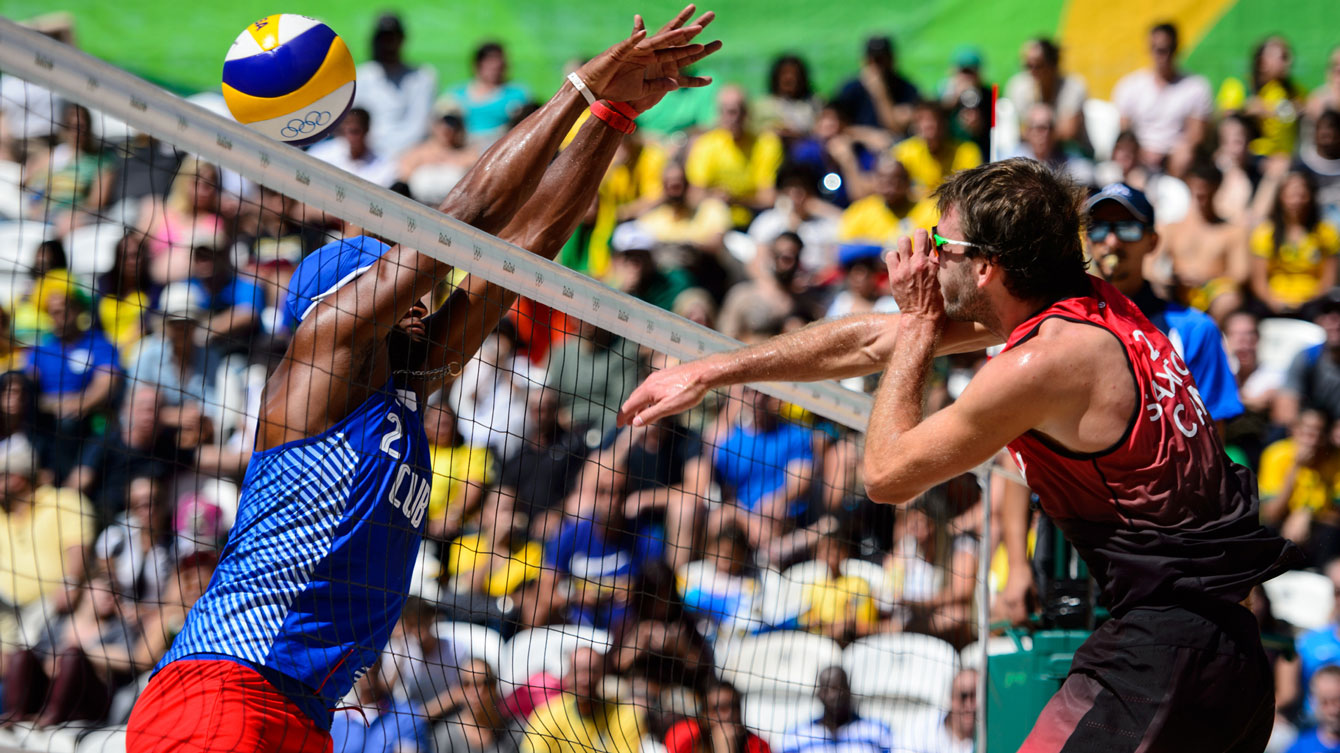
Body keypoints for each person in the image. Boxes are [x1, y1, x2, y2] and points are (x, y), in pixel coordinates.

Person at [127, 12, 720, 753]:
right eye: (388, 279)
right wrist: (580, 85)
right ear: (344, 302)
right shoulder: (319, 358)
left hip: (303, 708)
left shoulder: (407, 389)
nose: (419, 296)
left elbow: (523, 248)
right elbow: (463, 220)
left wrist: (614, 113)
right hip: (225, 685)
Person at [619, 157, 1301, 750]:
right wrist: (710, 369)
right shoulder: (1091, 306)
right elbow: (868, 342)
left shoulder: (1046, 362)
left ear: (986, 266)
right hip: (1223, 653)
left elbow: (885, 475)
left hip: (1168, 652)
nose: (924, 253)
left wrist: (918, 320)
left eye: (940, 240)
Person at [1086, 182, 1244, 424]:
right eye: (1098, 228)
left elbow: (1212, 435)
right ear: (1087, 240)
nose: (1112, 241)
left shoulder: (1195, 330)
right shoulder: (1067, 321)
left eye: (1127, 228)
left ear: (1152, 242)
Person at [1112, 22, 1212, 176]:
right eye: (1158, 49)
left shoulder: (1195, 87)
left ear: (1176, 49)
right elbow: (1125, 130)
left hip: (1175, 159)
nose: (1163, 56)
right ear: (1149, 49)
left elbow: (1196, 135)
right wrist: (1141, 153)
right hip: (1138, 157)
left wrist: (1175, 154)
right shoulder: (1130, 86)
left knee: (1186, 155)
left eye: (1167, 49)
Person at [1157, 160, 1250, 321]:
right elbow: (1151, 267)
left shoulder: (1232, 231)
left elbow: (1240, 273)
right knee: (1156, 289)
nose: (1201, 193)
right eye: (1196, 188)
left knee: (1228, 298)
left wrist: (1207, 279)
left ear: (1217, 188)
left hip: (1214, 293)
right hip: (1177, 290)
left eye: (1206, 188)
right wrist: (1172, 278)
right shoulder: (1170, 229)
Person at [685, 86, 784, 223]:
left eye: (739, 111)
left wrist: (735, 199)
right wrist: (715, 197)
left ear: (747, 113)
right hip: (715, 222)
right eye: (729, 112)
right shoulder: (705, 144)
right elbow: (694, 197)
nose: (734, 118)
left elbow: (768, 198)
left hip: (754, 219)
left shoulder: (766, 143)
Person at [1249, 170, 1340, 317]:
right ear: (1280, 197)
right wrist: (1273, 301)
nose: (1296, 201)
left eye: (1302, 195)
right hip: (1274, 301)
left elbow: (1328, 279)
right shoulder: (1265, 232)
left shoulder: (1326, 232)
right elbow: (1259, 281)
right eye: (1291, 195)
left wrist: (1308, 301)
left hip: (1312, 302)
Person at [520, 646, 644, 753]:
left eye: (592, 671)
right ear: (567, 675)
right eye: (578, 671)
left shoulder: (624, 715)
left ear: (603, 674)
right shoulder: (547, 715)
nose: (585, 679)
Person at [353, 13, 438, 163]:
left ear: (402, 40)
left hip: (408, 155)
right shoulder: (362, 75)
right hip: (365, 153)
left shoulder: (423, 76)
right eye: (384, 38)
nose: (388, 44)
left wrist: (392, 155)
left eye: (392, 38)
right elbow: (356, 121)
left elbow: (419, 125)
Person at [777, 666, 895, 753]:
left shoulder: (877, 731)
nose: (835, 695)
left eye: (840, 688)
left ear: (849, 691)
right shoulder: (797, 734)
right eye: (828, 689)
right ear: (819, 694)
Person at [1004, 38, 1089, 152]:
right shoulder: (1018, 87)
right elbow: (1020, 129)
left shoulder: (1073, 87)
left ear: (1053, 65)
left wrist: (1036, 133)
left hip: (1068, 152)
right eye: (1028, 65)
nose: (1032, 71)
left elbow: (1068, 132)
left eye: (1037, 65)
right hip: (1033, 151)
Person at [837, 157, 936, 247]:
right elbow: (845, 248)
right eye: (883, 182)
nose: (889, 189)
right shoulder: (860, 211)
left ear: (907, 182)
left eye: (895, 183)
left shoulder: (929, 211)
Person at [444, 42, 532, 142]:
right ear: (477, 65)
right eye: (489, 64)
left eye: (498, 65)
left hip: (501, 147)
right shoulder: (456, 94)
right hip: (464, 149)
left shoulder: (517, 94)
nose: (494, 68)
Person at [833, 35, 920, 136]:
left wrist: (880, 94)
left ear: (891, 59)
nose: (876, 66)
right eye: (872, 60)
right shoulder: (851, 88)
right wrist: (869, 136)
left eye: (881, 60)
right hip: (858, 144)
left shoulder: (906, 89)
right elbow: (835, 126)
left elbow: (896, 127)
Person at [892, 102, 982, 197]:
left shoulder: (967, 151)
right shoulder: (901, 153)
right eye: (921, 120)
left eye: (934, 119)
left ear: (945, 123)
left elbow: (971, 191)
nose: (928, 125)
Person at [1277, 296, 1340, 426]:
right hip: (1314, 432)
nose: (1336, 322)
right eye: (1329, 315)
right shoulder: (1307, 357)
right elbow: (1285, 412)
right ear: (1319, 321)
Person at [664, 681, 771, 753]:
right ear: (705, 713)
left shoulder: (757, 744)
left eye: (734, 706)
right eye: (721, 708)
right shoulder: (687, 737)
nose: (730, 714)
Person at [307, 107, 398, 188]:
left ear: (366, 130)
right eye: (346, 131)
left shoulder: (383, 165)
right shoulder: (321, 153)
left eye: (355, 132)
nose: (351, 138)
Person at [1009, 103, 1095, 188]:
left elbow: (1086, 172)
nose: (1045, 134)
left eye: (1049, 128)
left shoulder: (1066, 160)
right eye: (1039, 128)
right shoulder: (1015, 163)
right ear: (1027, 131)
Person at [898, 668, 975, 753]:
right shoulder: (921, 727)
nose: (970, 705)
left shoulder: (987, 736)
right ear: (951, 699)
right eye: (963, 696)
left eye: (976, 696)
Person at [1289, 665, 1340, 753]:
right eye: (1324, 702)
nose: (1333, 710)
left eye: (1338, 701)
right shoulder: (1300, 749)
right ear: (1312, 702)